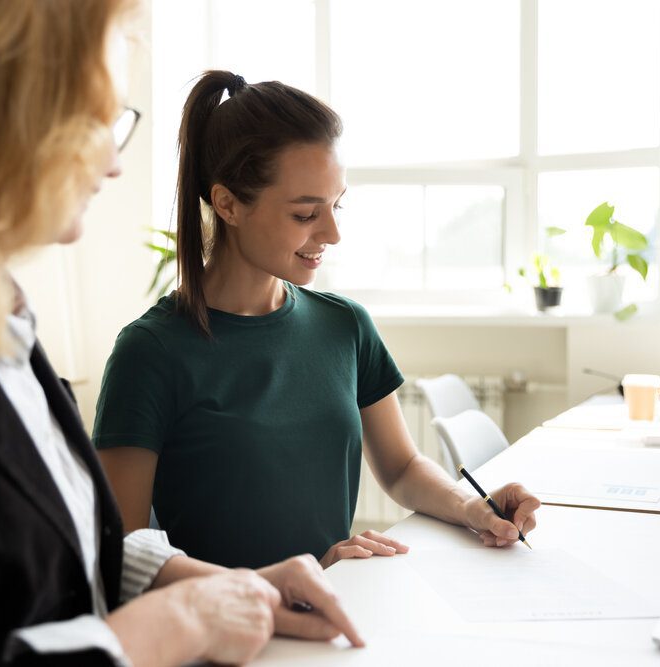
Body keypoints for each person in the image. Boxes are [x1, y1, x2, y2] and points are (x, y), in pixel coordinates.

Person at [0, 4, 363, 666]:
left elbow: (61, 544)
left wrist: (230, 587)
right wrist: (170, 623)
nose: (113, 165)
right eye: (97, 122)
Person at [93, 70, 541, 571]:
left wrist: (470, 506)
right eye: (306, 215)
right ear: (228, 204)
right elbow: (124, 556)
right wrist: (283, 585)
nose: (331, 233)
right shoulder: (150, 352)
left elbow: (401, 467)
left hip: (332, 616)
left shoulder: (345, 326)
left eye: (336, 206)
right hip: (229, 637)